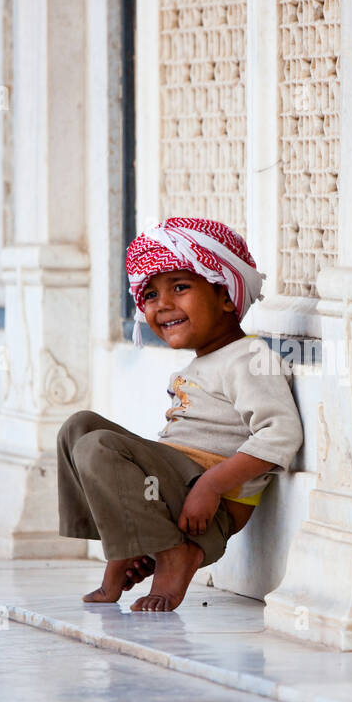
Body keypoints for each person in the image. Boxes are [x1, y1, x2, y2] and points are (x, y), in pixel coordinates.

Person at [57, 217, 304, 612]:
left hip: (206, 508)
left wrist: (211, 486)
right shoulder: (201, 363)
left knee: (97, 447)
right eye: (151, 295)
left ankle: (178, 554)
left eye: (181, 287)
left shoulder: (249, 357)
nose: (163, 305)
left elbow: (282, 433)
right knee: (78, 428)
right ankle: (127, 546)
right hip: (175, 487)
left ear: (225, 296)